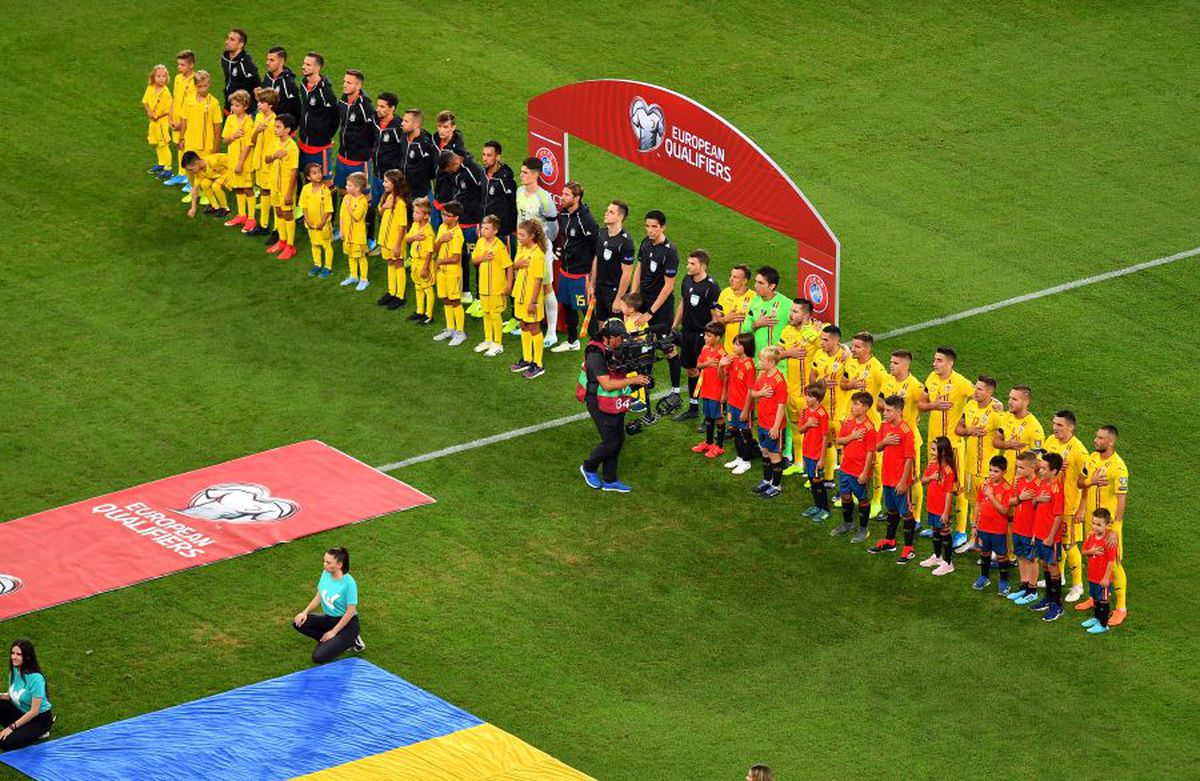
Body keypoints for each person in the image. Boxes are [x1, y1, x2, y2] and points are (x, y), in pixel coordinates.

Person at [578, 319, 650, 492]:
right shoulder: (594, 352)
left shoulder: (613, 347)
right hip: (597, 399)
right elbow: (607, 385)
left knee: (618, 439)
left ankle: (610, 480)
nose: (621, 342)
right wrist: (634, 379)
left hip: (614, 398)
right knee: (611, 441)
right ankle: (588, 467)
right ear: (609, 337)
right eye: (618, 338)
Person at [918, 347, 974, 550]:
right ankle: (935, 524)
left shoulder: (961, 383)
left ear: (950, 363)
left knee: (956, 488)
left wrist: (994, 404)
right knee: (935, 483)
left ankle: (960, 531)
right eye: (935, 360)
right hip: (934, 443)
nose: (935, 363)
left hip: (953, 446)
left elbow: (978, 395)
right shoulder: (931, 378)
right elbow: (921, 404)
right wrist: (934, 405)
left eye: (939, 360)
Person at [1075, 424, 1129, 625]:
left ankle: (1121, 608)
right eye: (1096, 437)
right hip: (1093, 522)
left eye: (1099, 438)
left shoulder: (1119, 467)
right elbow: (1081, 482)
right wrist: (1091, 480)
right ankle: (1095, 597)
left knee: (1114, 563)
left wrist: (1114, 529)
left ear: (1110, 442)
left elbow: (1122, 500)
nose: (1095, 441)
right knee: (1093, 558)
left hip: (1109, 526)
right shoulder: (1092, 458)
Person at [630, 210, 681, 403]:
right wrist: (633, 298)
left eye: (654, 227)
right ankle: (643, 390)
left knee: (667, 347)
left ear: (663, 227)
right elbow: (639, 269)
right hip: (644, 302)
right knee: (644, 345)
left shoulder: (670, 252)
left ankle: (676, 391)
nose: (650, 230)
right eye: (647, 226)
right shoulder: (645, 243)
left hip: (661, 308)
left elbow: (668, 287)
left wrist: (651, 313)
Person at [1042, 409, 1089, 602]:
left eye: (1060, 425)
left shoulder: (1079, 450)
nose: (1055, 427)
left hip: (1069, 506)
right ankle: (1059, 577)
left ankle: (1077, 585)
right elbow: (1040, 467)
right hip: (1051, 503)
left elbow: (1086, 482)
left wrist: (1082, 508)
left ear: (1071, 427)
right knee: (1056, 542)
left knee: (1069, 545)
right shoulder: (1050, 442)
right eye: (1054, 423)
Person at [672, 250, 722, 420]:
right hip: (687, 333)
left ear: (703, 266)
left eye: (692, 264)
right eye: (688, 263)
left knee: (706, 374)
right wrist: (675, 324)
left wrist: (712, 340)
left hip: (703, 336)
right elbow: (683, 303)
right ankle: (694, 408)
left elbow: (715, 316)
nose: (688, 266)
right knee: (691, 369)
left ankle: (708, 415)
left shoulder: (711, 287)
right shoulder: (686, 280)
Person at [843, 331, 889, 516]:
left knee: (875, 463)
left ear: (868, 348)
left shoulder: (877, 369)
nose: (853, 349)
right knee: (851, 456)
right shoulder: (851, 362)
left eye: (857, 346)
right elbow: (843, 383)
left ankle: (876, 501)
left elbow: (888, 393)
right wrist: (850, 385)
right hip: (853, 419)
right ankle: (855, 492)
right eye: (853, 345)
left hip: (871, 424)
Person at [292, 547, 364, 663]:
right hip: (330, 619)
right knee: (299, 623)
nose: (324, 565)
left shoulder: (349, 583)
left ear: (339, 565)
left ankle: (352, 640)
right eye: (324, 561)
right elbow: (319, 596)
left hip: (347, 624)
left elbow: (350, 612)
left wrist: (333, 632)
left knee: (318, 657)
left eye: (328, 562)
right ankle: (331, 641)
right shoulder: (326, 573)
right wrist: (304, 612)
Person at [955, 375, 1002, 548]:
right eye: (976, 387)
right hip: (969, 467)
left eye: (980, 389)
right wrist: (969, 430)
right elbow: (958, 429)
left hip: (986, 471)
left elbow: (1004, 434)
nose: (975, 391)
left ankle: (989, 543)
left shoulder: (996, 413)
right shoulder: (970, 405)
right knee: (973, 503)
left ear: (990, 392)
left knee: (988, 508)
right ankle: (975, 539)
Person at [514, 157, 559, 341]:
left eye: (525, 172)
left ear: (535, 175)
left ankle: (551, 332)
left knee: (546, 287)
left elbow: (554, 228)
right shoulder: (518, 192)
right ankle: (525, 320)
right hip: (522, 245)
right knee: (523, 281)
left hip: (540, 249)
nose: (521, 175)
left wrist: (543, 245)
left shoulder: (544, 199)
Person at [879, 350, 926, 526]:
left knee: (913, 478)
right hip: (890, 438)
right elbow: (879, 403)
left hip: (908, 440)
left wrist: (916, 415)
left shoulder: (915, 386)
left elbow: (924, 403)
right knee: (892, 475)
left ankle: (916, 517)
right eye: (891, 362)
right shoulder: (888, 381)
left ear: (906, 365)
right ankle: (894, 510)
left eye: (895, 363)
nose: (891, 365)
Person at [777, 298, 823, 474]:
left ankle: (816, 469)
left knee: (812, 433)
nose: (790, 314)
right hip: (792, 391)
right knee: (796, 427)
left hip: (808, 394)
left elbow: (833, 348)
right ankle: (798, 463)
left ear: (806, 315)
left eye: (795, 312)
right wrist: (790, 353)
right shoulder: (787, 330)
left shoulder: (813, 333)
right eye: (791, 311)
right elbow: (778, 353)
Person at [869, 395, 917, 561]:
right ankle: (890, 541)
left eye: (889, 410)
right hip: (887, 477)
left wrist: (904, 482)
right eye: (885, 410)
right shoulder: (884, 426)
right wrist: (885, 441)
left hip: (900, 480)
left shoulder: (906, 432)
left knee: (906, 513)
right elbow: (876, 446)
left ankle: (909, 548)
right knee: (891, 510)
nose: (885, 413)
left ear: (898, 411)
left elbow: (910, 458)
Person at [554, 182, 600, 352]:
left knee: (584, 308)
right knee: (567, 304)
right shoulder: (564, 213)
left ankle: (598, 344)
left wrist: (591, 275)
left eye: (566, 195)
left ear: (577, 198)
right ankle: (572, 341)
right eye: (563, 193)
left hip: (579, 276)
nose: (562, 197)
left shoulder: (586, 220)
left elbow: (596, 248)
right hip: (565, 271)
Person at [334, 70, 377, 245]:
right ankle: (343, 226)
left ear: (358, 86)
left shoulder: (366, 107)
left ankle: (369, 236)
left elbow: (373, 134)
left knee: (365, 197)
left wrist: (367, 154)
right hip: (342, 156)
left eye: (349, 83)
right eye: (345, 81)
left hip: (359, 160)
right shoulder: (343, 100)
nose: (345, 85)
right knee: (343, 192)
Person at [811, 324, 850, 508]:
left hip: (840, 412)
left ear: (836, 340)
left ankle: (846, 490)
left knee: (843, 449)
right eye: (821, 339)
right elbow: (812, 377)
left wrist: (847, 349)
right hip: (824, 411)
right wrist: (819, 383)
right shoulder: (819, 354)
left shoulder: (845, 356)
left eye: (826, 340)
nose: (822, 342)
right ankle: (828, 478)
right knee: (826, 444)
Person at [830, 391, 877, 542]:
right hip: (845, 468)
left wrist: (865, 473)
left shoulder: (869, 428)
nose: (852, 406)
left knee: (862, 499)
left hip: (859, 472)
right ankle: (848, 523)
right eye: (852, 402)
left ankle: (864, 529)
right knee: (845, 496)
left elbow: (871, 452)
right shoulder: (849, 422)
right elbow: (839, 441)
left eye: (856, 404)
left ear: (865, 408)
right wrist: (852, 437)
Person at [436, 149, 485, 288]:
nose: (449, 172)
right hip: (460, 219)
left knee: (475, 258)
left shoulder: (472, 171)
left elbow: (484, 192)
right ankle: (465, 290)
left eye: (449, 169)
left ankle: (479, 297)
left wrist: (480, 217)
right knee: (461, 256)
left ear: (454, 162)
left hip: (472, 221)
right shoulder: (455, 171)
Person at [510, 219, 551, 378]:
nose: (519, 237)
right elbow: (515, 264)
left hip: (531, 297)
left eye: (522, 235)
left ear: (532, 236)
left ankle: (538, 364)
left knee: (534, 327)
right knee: (523, 325)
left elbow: (538, 280)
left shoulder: (537, 254)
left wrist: (533, 302)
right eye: (518, 233)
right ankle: (527, 359)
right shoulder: (521, 248)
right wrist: (518, 264)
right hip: (519, 294)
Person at [1030, 452, 1066, 621]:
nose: (1040, 470)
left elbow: (1059, 515)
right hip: (1039, 535)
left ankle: (1057, 605)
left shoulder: (1057, 489)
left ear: (1054, 471)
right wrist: (1037, 499)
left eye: (1044, 468)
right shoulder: (1043, 484)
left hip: (1050, 538)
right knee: (1044, 564)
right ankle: (1048, 599)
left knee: (1052, 567)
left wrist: (1051, 537)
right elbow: (1034, 505)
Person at [748, 346, 788, 498]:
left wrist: (776, 427)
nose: (759, 362)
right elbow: (752, 392)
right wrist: (761, 393)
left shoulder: (779, 381)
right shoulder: (762, 376)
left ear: (771, 362)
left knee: (775, 455)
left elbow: (781, 405)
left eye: (762, 360)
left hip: (773, 426)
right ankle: (767, 480)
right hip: (763, 423)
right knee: (765, 451)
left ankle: (776, 486)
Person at [0, 640, 54, 751]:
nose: (13, 657)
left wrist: (11, 728)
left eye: (18, 654)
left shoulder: (36, 679)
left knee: (4, 743)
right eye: (12, 653)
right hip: (21, 712)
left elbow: (34, 711)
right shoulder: (14, 670)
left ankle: (40, 733)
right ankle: (22, 730)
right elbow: (13, 696)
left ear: (28, 657)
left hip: (39, 720)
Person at [471, 214, 513, 356]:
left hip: (496, 288)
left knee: (495, 314)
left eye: (487, 228)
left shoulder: (500, 247)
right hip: (483, 287)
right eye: (482, 227)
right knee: (486, 313)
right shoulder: (480, 243)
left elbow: (509, 266)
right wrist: (482, 257)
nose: (483, 230)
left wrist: (508, 284)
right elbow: (474, 260)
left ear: (495, 231)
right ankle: (488, 339)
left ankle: (498, 343)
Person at [591, 199, 636, 330]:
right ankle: (604, 350)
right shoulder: (601, 233)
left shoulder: (626, 242)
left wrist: (619, 299)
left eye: (611, 212)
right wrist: (592, 285)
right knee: (601, 325)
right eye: (607, 210)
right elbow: (596, 260)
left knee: (617, 329)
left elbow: (627, 273)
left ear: (620, 217)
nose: (606, 213)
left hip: (615, 290)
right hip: (600, 287)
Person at [972, 455, 1014, 594]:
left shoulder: (1007, 488)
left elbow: (1004, 510)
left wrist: (991, 496)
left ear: (1004, 472)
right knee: (985, 553)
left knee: (1002, 556)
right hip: (983, 527)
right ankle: (984, 577)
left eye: (996, 471)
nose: (991, 474)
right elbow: (977, 504)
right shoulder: (984, 484)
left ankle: (1004, 581)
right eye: (990, 470)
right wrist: (974, 525)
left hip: (998, 529)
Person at [179, 71, 223, 201]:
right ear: (195, 85)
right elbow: (184, 120)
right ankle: (194, 192)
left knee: (204, 171)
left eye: (205, 85)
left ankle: (206, 193)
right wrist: (181, 138)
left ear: (209, 84)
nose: (203, 89)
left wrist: (216, 146)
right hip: (190, 142)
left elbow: (217, 126)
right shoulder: (188, 100)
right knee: (189, 169)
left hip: (206, 143)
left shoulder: (214, 103)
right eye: (200, 86)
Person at [1007, 451, 1042, 606]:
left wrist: (1036, 532)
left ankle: (1032, 590)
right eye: (1017, 467)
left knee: (1032, 559)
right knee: (1021, 556)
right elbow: (1011, 501)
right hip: (1018, 527)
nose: (1018, 471)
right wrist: (1021, 498)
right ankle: (1024, 585)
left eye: (1021, 468)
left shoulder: (1038, 485)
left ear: (1032, 467)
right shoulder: (1019, 482)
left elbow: (1041, 512)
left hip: (1030, 530)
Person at [919, 436, 957, 575]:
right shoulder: (931, 464)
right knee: (935, 530)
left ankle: (948, 563)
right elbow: (923, 480)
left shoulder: (948, 471)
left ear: (943, 451)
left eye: (934, 449)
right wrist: (931, 477)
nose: (932, 452)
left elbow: (948, 493)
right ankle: (937, 556)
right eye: (932, 449)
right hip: (932, 505)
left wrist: (946, 512)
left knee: (944, 532)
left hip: (942, 508)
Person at [297, 52, 338, 183]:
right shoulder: (303, 84)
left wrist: (326, 136)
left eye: (308, 65)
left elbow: (335, 117)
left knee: (325, 181)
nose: (303, 67)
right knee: (307, 177)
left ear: (317, 68)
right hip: (303, 142)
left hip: (320, 146)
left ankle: (328, 203)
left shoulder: (325, 91)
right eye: (304, 63)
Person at [721, 333, 758, 475]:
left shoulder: (750, 366)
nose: (734, 347)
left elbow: (750, 390)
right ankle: (739, 457)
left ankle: (746, 460)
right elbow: (725, 377)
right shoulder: (734, 360)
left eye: (737, 344)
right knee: (734, 430)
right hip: (732, 403)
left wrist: (745, 410)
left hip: (743, 406)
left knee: (744, 433)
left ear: (745, 347)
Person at [432, 200, 467, 345]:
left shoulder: (457, 234)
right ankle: (450, 328)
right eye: (443, 213)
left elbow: (456, 258)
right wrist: (441, 240)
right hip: (442, 272)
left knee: (455, 301)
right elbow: (434, 248)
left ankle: (460, 332)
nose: (443, 217)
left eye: (447, 215)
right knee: (445, 299)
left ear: (456, 217)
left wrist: (440, 262)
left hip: (453, 273)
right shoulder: (441, 228)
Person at [221, 89, 256, 229]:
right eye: (232, 105)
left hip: (244, 161)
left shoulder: (249, 122)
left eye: (237, 105)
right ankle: (242, 215)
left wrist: (241, 163)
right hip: (233, 158)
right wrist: (233, 136)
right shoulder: (230, 119)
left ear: (245, 106)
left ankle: (252, 218)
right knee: (238, 188)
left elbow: (249, 144)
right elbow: (225, 140)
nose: (233, 108)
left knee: (247, 188)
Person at [994, 385, 1044, 482]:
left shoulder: (1035, 428)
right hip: (1005, 479)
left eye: (1014, 399)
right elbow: (996, 441)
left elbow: (1038, 464)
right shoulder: (1007, 417)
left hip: (1023, 484)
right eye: (1009, 398)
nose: (1009, 402)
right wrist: (1007, 444)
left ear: (1025, 402)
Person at [265, 114, 299, 260]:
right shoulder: (274, 141)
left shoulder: (292, 148)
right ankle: (282, 241)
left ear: (287, 130)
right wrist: (275, 156)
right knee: (278, 212)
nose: (275, 129)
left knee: (287, 214)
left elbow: (294, 171)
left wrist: (289, 193)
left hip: (286, 187)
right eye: (275, 126)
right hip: (274, 184)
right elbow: (266, 159)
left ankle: (290, 246)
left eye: (278, 127)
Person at [1080, 508, 1119, 634]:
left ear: (1107, 525)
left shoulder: (1109, 541)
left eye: (1099, 524)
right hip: (1092, 576)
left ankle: (1103, 624)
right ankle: (1097, 618)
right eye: (1093, 523)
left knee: (1103, 600)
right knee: (1095, 599)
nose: (1095, 527)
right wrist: (1091, 552)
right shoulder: (1090, 537)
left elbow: (1110, 562)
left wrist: (1106, 578)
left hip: (1103, 578)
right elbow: (1083, 552)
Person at [246, 87, 278, 237]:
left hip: (270, 163)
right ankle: (264, 225)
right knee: (264, 191)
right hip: (259, 162)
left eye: (262, 102)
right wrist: (257, 131)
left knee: (274, 194)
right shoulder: (258, 117)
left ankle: (277, 230)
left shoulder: (276, 122)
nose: (258, 105)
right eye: (259, 101)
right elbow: (252, 140)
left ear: (270, 105)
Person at [692, 322, 727, 458]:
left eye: (709, 335)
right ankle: (708, 442)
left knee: (717, 417)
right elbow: (698, 364)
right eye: (705, 335)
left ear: (717, 338)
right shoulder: (705, 349)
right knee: (707, 416)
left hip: (716, 391)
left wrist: (724, 393)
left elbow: (726, 375)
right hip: (706, 389)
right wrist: (706, 364)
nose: (705, 338)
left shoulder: (722, 353)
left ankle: (719, 446)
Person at [376, 168, 410, 308]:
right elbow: (380, 211)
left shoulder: (401, 204)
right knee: (390, 263)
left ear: (394, 183)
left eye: (386, 182)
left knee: (398, 264)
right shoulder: (387, 196)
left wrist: (397, 245)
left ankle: (400, 296)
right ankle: (391, 291)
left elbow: (403, 226)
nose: (383, 184)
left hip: (395, 241)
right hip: (385, 238)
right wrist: (385, 206)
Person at [372, 92, 405, 236]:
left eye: (382, 107)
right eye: (378, 105)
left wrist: (395, 176)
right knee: (377, 206)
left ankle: (391, 238)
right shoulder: (375, 120)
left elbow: (403, 152)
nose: (378, 109)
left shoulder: (398, 128)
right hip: (376, 173)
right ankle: (377, 236)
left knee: (390, 209)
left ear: (392, 109)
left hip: (390, 179)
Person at [399, 109, 440, 222]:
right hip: (404, 190)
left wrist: (423, 191)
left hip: (419, 193)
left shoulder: (425, 145)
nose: (402, 123)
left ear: (416, 124)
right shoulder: (404, 137)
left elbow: (432, 170)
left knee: (419, 225)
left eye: (406, 121)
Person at [798, 384, 831, 520]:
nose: (806, 398)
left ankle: (825, 509)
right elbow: (800, 430)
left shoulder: (822, 414)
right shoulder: (804, 412)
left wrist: (822, 459)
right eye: (806, 395)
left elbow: (824, 437)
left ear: (817, 399)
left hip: (816, 455)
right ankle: (817, 506)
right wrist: (807, 424)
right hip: (807, 453)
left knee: (817, 481)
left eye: (809, 396)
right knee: (812, 480)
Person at [163, 50, 196, 187]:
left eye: (182, 65)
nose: (179, 67)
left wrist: (181, 124)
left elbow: (191, 106)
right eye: (179, 65)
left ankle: (190, 179)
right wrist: (170, 117)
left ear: (191, 65)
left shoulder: (195, 81)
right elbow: (175, 98)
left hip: (185, 122)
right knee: (179, 146)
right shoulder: (177, 79)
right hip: (175, 120)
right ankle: (181, 174)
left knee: (187, 147)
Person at [402, 198, 437, 325]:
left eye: (417, 213)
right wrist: (414, 237)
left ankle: (428, 315)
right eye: (414, 212)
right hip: (415, 261)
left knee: (427, 288)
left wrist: (425, 268)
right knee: (418, 286)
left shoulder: (429, 232)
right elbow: (406, 238)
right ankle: (419, 311)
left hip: (423, 263)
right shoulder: (415, 225)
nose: (414, 215)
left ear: (426, 216)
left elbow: (429, 252)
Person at [480, 141, 518, 253]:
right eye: (483, 154)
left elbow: (513, 204)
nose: (485, 158)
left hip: (501, 232)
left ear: (498, 157)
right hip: (486, 229)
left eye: (489, 155)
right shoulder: (483, 174)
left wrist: (512, 229)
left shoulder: (505, 179)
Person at [299, 163, 334, 277]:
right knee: (314, 244)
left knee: (326, 245)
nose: (318, 175)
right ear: (308, 177)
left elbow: (328, 209)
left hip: (323, 225)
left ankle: (328, 267)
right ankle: (317, 264)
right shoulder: (305, 189)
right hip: (311, 224)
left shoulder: (326, 191)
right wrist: (307, 220)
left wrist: (322, 222)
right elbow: (304, 206)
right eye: (314, 173)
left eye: (319, 172)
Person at [338, 171, 370, 290]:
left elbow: (357, 217)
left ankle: (364, 279)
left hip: (358, 235)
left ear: (357, 188)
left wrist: (348, 206)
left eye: (349, 185)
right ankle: (353, 276)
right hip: (347, 234)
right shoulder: (346, 197)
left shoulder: (363, 201)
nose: (346, 187)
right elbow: (341, 215)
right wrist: (341, 230)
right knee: (350, 255)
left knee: (360, 257)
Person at [716, 264, 754, 355]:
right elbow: (715, 321)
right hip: (727, 350)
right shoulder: (725, 293)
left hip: (746, 353)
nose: (730, 279)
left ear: (745, 281)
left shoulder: (754, 298)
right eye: (731, 275)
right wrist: (726, 319)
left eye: (735, 277)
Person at [143, 64, 173, 178]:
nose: (162, 79)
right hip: (153, 122)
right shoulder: (150, 88)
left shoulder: (166, 92)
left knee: (164, 144)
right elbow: (145, 102)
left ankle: (168, 168)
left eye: (164, 76)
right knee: (156, 143)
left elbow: (170, 109)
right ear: (153, 77)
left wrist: (159, 115)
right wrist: (149, 111)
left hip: (162, 122)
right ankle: (161, 163)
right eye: (159, 76)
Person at [181, 150, 230, 219]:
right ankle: (215, 206)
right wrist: (193, 209)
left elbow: (232, 164)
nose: (191, 172)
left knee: (215, 186)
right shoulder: (198, 172)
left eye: (191, 169)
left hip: (229, 173)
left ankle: (225, 209)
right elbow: (195, 190)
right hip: (218, 177)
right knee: (204, 184)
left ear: (197, 162)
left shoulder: (214, 160)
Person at [220, 28, 259, 112]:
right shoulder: (225, 58)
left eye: (232, 40)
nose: (227, 42)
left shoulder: (246, 64)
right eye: (228, 38)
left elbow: (257, 85)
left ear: (241, 44)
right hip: (229, 103)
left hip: (243, 109)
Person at [261, 46, 301, 123]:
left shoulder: (288, 82)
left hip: (281, 128)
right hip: (266, 124)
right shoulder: (268, 76)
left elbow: (296, 108)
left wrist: (290, 129)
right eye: (268, 59)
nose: (267, 63)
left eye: (272, 60)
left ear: (281, 61)